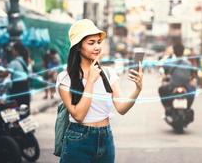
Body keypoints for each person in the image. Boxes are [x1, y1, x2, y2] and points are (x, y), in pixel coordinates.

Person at [56, 19, 143, 163]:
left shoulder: (108, 74)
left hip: (105, 137)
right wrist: (90, 81)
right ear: (78, 47)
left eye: (98, 42)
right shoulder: (65, 78)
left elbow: (121, 108)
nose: (97, 47)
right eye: (91, 43)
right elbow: (78, 115)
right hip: (78, 139)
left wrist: (137, 90)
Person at [159, 42, 196, 108]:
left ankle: (167, 108)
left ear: (174, 51)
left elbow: (164, 70)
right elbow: (193, 74)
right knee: (193, 90)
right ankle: (188, 108)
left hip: (173, 86)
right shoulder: (188, 63)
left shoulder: (170, 62)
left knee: (161, 89)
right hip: (186, 87)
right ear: (183, 51)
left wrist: (165, 76)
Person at [7, 42, 31, 110]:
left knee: (16, 110)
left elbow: (5, 73)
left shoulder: (14, 62)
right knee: (25, 110)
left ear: (17, 51)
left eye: (13, 50)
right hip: (26, 87)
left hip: (17, 88)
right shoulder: (25, 60)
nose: (11, 51)